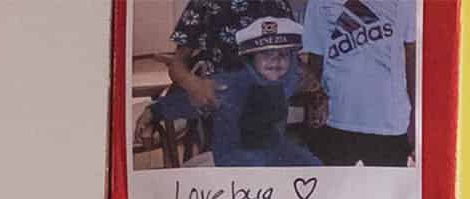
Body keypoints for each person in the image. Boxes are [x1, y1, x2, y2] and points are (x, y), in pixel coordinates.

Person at [162, 1, 316, 169]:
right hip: (220, 103)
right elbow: (177, 65)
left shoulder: (279, 4)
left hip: (268, 104)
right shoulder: (204, 3)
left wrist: (317, 92)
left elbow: (291, 57)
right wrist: (194, 84)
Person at [301, 0, 417, 168]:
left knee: (384, 192)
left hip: (390, 123)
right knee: (337, 192)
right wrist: (315, 105)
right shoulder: (319, 3)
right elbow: (315, 59)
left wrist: (415, 117)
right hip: (336, 119)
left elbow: (412, 56)